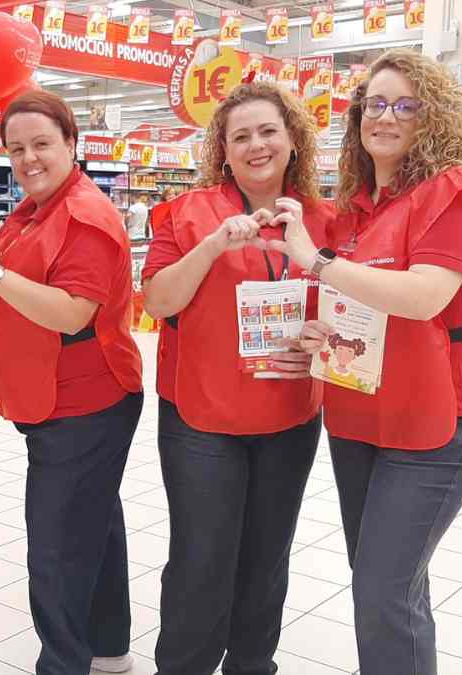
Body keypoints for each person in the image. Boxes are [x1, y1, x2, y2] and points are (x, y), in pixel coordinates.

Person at [275, 49, 462, 675]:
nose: (384, 116)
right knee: (386, 583)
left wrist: (318, 261)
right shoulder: (359, 209)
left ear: (431, 117)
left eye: (404, 105)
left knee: (383, 590)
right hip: (362, 414)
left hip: (438, 420)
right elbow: (360, 303)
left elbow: (424, 296)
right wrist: (320, 330)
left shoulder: (452, 192)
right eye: (373, 104)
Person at [140, 80, 334, 675]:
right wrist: (213, 247)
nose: (256, 145)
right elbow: (158, 299)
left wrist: (322, 343)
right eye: (240, 136)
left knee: (267, 555)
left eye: (268, 131)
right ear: (221, 151)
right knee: (202, 558)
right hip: (203, 420)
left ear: (292, 140)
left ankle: (253, 663)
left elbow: (352, 314)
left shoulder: (325, 220)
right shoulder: (186, 213)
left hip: (290, 414)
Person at [0, 91, 143, 675]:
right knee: (95, 522)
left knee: (57, 544)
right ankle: (108, 647)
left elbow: (71, 312)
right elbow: (9, 248)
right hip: (61, 396)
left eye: (41, 144)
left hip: (86, 401)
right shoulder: (39, 208)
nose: (29, 158)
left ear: (71, 143)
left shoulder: (85, 216)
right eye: (17, 149)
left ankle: (63, 663)